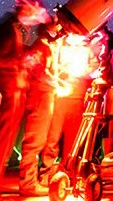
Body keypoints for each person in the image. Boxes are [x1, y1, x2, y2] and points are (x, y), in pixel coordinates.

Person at [0, 0, 52, 201]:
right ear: (27, 10)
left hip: (13, 93)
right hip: (8, 93)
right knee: (0, 144)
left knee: (4, 144)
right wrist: (20, 66)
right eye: (35, 15)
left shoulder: (14, 29)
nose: (37, 21)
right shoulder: (8, 29)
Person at [41, 28, 105, 182]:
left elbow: (95, 67)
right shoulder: (60, 46)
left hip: (78, 96)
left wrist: (82, 72)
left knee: (73, 137)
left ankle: (68, 169)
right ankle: (47, 170)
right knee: (53, 136)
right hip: (60, 96)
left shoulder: (87, 50)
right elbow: (50, 67)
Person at [17, 16, 61, 196]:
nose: (60, 26)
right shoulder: (41, 45)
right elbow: (38, 71)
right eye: (57, 22)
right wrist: (58, 84)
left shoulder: (48, 45)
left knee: (39, 139)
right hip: (40, 95)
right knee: (34, 140)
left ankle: (30, 181)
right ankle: (27, 184)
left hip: (45, 94)